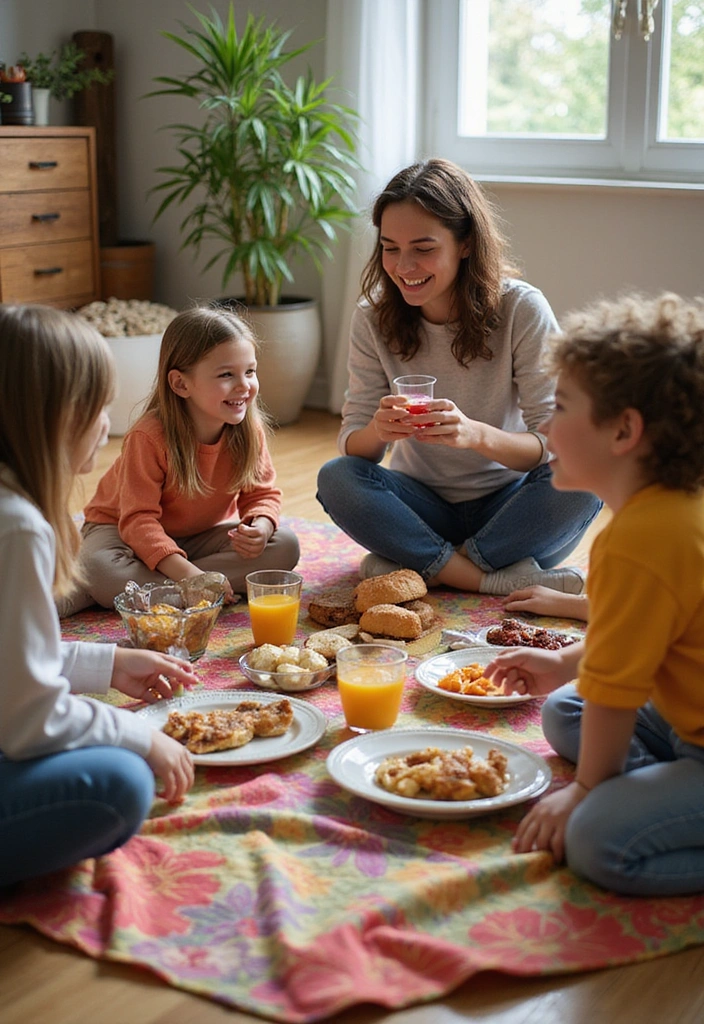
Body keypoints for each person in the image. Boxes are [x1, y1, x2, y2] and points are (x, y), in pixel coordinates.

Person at [486, 292, 704, 897]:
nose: (545, 426)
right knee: (565, 706)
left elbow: (617, 692)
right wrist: (561, 663)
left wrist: (585, 792)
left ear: (624, 430)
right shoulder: (664, 511)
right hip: (689, 721)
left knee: (595, 839)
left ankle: (639, 800)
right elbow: (633, 646)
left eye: (559, 408)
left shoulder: (642, 541)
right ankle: (658, 793)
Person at [316, 159, 601, 595]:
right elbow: (356, 447)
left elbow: (554, 440)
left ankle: (420, 564)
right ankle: (493, 579)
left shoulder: (521, 309)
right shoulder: (372, 317)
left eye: (423, 248)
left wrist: (475, 435)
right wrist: (378, 430)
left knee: (587, 472)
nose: (403, 266)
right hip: (421, 505)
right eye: (390, 247)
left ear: (465, 243)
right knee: (337, 477)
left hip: (512, 507)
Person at [0, 304, 197, 887]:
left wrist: (107, 662)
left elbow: (10, 662)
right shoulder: (16, 525)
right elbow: (26, 718)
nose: (108, 422)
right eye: (100, 406)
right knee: (123, 781)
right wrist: (136, 734)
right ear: (60, 416)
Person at [64, 305, 300, 615]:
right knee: (102, 569)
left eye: (250, 371)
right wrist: (191, 576)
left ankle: (140, 591)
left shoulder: (249, 430)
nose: (244, 385)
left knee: (285, 545)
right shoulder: (149, 436)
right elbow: (137, 522)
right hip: (120, 532)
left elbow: (262, 494)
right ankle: (181, 587)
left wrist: (262, 527)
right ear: (180, 384)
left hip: (191, 539)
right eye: (227, 374)